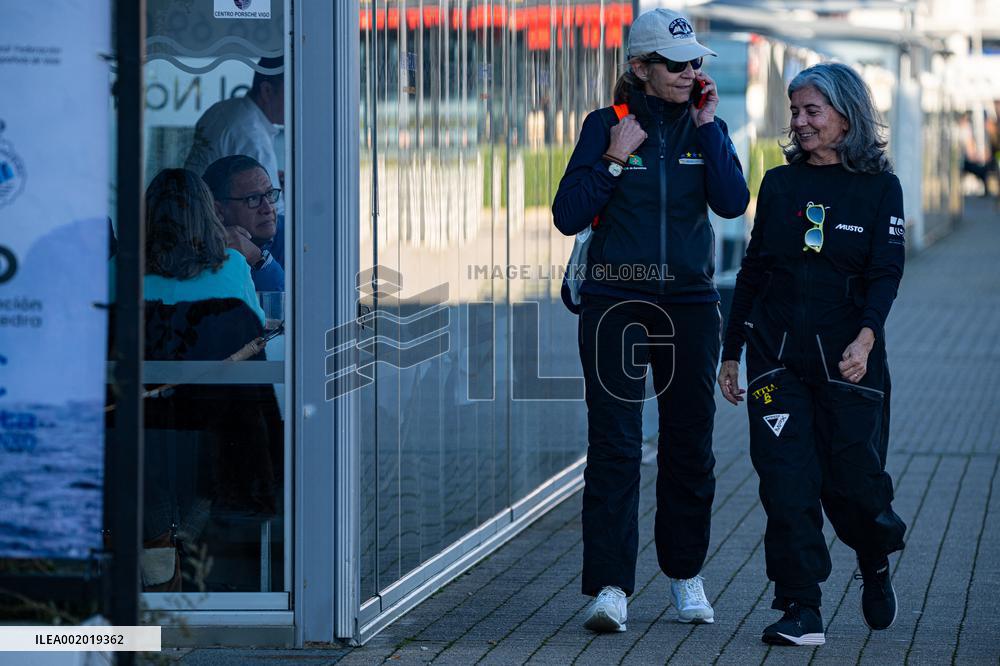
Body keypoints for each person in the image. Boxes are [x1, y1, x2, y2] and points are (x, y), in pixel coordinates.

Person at [552, 8, 749, 633]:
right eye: (676, 64)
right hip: (617, 302)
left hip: (690, 303)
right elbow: (567, 213)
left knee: (690, 445)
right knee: (615, 446)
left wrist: (710, 127)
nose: (690, 72)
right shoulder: (604, 125)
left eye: (695, 63)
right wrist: (613, 158)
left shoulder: (704, 127)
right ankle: (611, 587)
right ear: (640, 67)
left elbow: (733, 200)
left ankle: (686, 576)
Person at [718, 62, 907, 647]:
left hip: (850, 361)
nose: (798, 122)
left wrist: (867, 337)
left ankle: (873, 558)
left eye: (811, 111)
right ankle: (801, 607)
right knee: (786, 484)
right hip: (775, 361)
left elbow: (886, 272)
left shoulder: (880, 188)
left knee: (854, 487)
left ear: (847, 114)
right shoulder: (779, 185)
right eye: (795, 111)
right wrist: (731, 351)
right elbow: (752, 272)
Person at [141, 168, 281, 591]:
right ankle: (184, 550)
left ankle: (161, 561)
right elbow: (251, 338)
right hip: (215, 427)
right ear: (211, 215)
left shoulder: (119, 268)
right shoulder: (233, 267)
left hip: (140, 425)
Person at [184, 56, 284, 214]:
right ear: (267, 91)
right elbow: (273, 213)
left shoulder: (221, 110)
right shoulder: (252, 137)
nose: (300, 100)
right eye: (293, 91)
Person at [202, 154, 285, 292]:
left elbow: (298, 305)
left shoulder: (295, 239)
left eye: (269, 194)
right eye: (253, 198)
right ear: (218, 211)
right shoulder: (201, 245)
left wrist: (257, 258)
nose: (268, 208)